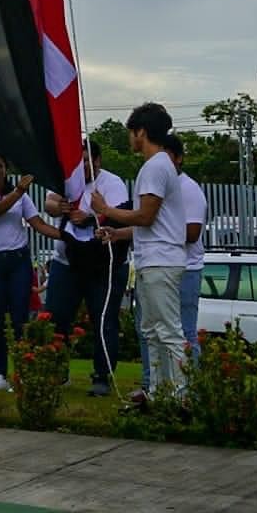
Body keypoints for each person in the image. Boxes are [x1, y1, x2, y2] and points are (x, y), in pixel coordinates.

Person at [92, 103, 189, 401]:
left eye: (131, 132)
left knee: (168, 331)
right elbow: (152, 224)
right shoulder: (160, 166)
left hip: (161, 261)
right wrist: (117, 232)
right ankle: (160, 392)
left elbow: (145, 216)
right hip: (152, 259)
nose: (129, 139)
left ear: (141, 132)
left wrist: (106, 211)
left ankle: (182, 395)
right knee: (152, 330)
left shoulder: (155, 166)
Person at [46, 139, 133, 398]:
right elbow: (49, 203)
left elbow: (117, 214)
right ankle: (56, 372)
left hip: (103, 266)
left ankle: (102, 375)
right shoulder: (68, 180)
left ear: (97, 161)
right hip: (67, 264)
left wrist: (90, 217)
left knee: (104, 320)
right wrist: (58, 206)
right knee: (56, 319)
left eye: (86, 160)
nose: (81, 166)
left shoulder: (112, 183)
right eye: (77, 160)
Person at [0, 149, 64, 392]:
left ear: (6, 170)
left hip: (17, 261)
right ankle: (0, 373)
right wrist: (19, 191)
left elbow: (38, 224)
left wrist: (67, 236)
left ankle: (21, 373)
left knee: (20, 319)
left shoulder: (20, 197)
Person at [138, 134, 209, 390]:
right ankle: (156, 387)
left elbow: (191, 233)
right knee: (152, 332)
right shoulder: (163, 185)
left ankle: (187, 391)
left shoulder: (187, 189)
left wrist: (116, 213)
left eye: (168, 156)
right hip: (158, 262)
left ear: (179, 159)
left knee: (180, 333)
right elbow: (151, 224)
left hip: (183, 267)